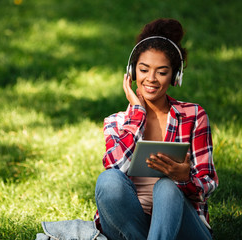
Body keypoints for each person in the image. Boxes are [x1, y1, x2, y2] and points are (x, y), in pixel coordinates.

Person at [94, 18, 219, 240]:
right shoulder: (116, 122)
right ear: (132, 72)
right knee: (107, 180)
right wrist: (138, 113)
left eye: (161, 72)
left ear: (175, 77)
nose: (151, 79)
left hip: (183, 228)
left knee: (167, 188)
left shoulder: (194, 116)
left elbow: (208, 183)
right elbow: (114, 166)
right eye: (143, 70)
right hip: (130, 227)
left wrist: (184, 178)